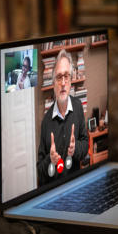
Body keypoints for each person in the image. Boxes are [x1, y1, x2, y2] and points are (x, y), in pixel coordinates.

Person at [37, 49, 89, 184]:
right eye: (59, 77)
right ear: (54, 83)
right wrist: (51, 159)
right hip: (54, 191)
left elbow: (85, 144)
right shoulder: (46, 122)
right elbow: (40, 171)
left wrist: (75, 148)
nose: (63, 82)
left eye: (67, 76)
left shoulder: (78, 107)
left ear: (71, 80)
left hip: (76, 186)